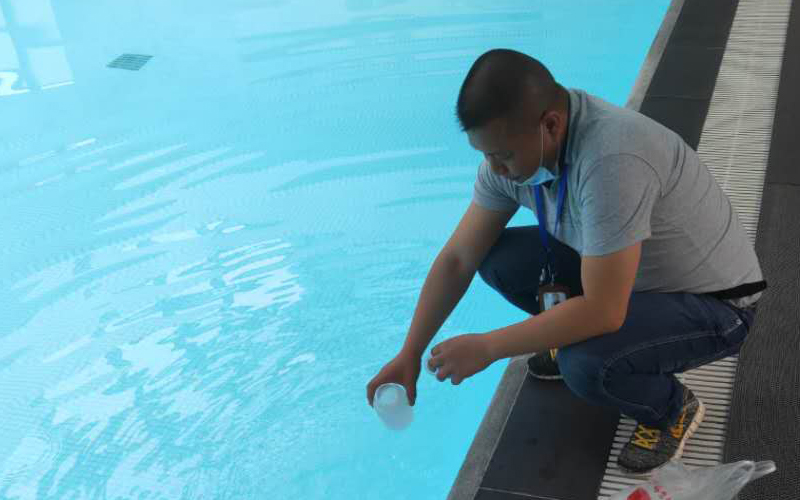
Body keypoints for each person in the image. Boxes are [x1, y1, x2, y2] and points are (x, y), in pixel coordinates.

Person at [366, 48, 766, 474]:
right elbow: (458, 259)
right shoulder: (518, 148)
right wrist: (410, 351)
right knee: (498, 259)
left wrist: (489, 347)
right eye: (485, 155)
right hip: (633, 276)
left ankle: (672, 409)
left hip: (714, 304)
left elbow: (604, 311)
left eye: (502, 156)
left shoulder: (612, 161)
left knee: (586, 363)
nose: (495, 170)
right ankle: (588, 340)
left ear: (551, 125)